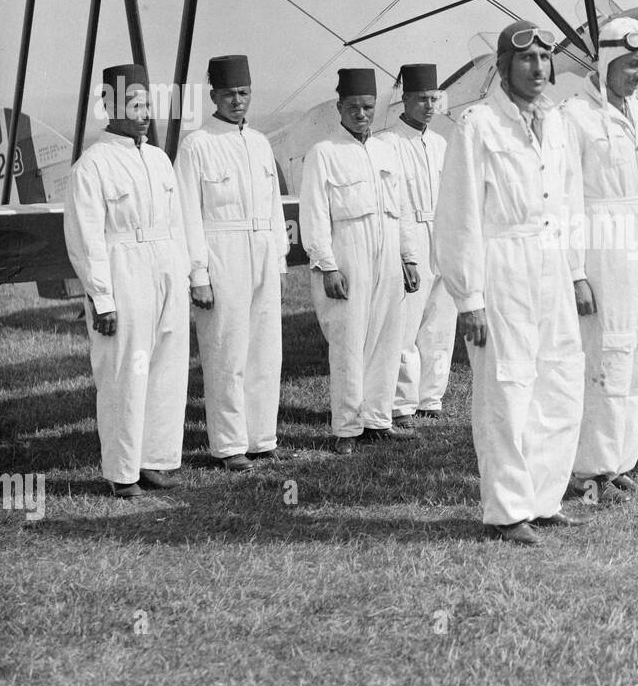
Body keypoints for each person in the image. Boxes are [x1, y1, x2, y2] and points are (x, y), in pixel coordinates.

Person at [437, 21, 589, 546]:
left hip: (551, 263)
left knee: (559, 384)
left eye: (545, 57)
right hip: (503, 268)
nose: (539, 67)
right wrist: (469, 298)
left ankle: (544, 499)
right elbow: (459, 215)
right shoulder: (478, 124)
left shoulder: (558, 123)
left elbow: (570, 203)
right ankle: (505, 511)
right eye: (526, 59)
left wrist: (576, 270)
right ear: (503, 66)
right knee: (506, 389)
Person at [63, 63, 191, 497]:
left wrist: (185, 275)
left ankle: (154, 460)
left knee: (166, 367)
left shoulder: (158, 159)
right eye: (132, 105)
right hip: (123, 272)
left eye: (145, 104)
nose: (142, 113)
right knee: (125, 372)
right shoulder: (93, 165)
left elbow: (178, 225)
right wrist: (102, 298)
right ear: (109, 107)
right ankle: (122, 474)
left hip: (165, 268)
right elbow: (85, 239)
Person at [562, 18, 638, 504]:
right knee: (606, 355)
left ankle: (622, 460)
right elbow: (564, 200)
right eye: (629, 65)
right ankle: (589, 469)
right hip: (603, 244)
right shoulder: (574, 117)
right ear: (604, 63)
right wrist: (576, 271)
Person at [175, 55, 289, 473]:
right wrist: (198, 274)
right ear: (213, 97)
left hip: (261, 248)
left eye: (243, 93)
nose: (237, 101)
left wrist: (277, 261)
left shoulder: (259, 142)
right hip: (222, 252)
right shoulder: (197, 144)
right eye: (228, 95)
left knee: (265, 351)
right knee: (227, 352)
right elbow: (187, 214)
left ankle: (262, 438)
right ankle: (228, 445)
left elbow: (274, 208)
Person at [299, 68, 419, 454]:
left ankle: (378, 419)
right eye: (353, 107)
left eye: (368, 107)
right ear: (340, 107)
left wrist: (409, 257)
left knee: (387, 336)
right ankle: (347, 428)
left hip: (387, 253)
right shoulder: (324, 152)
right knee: (349, 341)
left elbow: (400, 208)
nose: (362, 114)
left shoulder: (386, 150)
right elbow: (315, 213)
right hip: (348, 254)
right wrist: (326, 265)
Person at [378, 63, 456, 428]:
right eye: (421, 98)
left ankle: (431, 397)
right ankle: (402, 402)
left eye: (433, 99)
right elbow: (397, 204)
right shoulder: (388, 143)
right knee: (407, 322)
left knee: (441, 321)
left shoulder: (440, 143)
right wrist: (406, 254)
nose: (428, 105)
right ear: (404, 100)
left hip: (442, 234)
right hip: (411, 234)